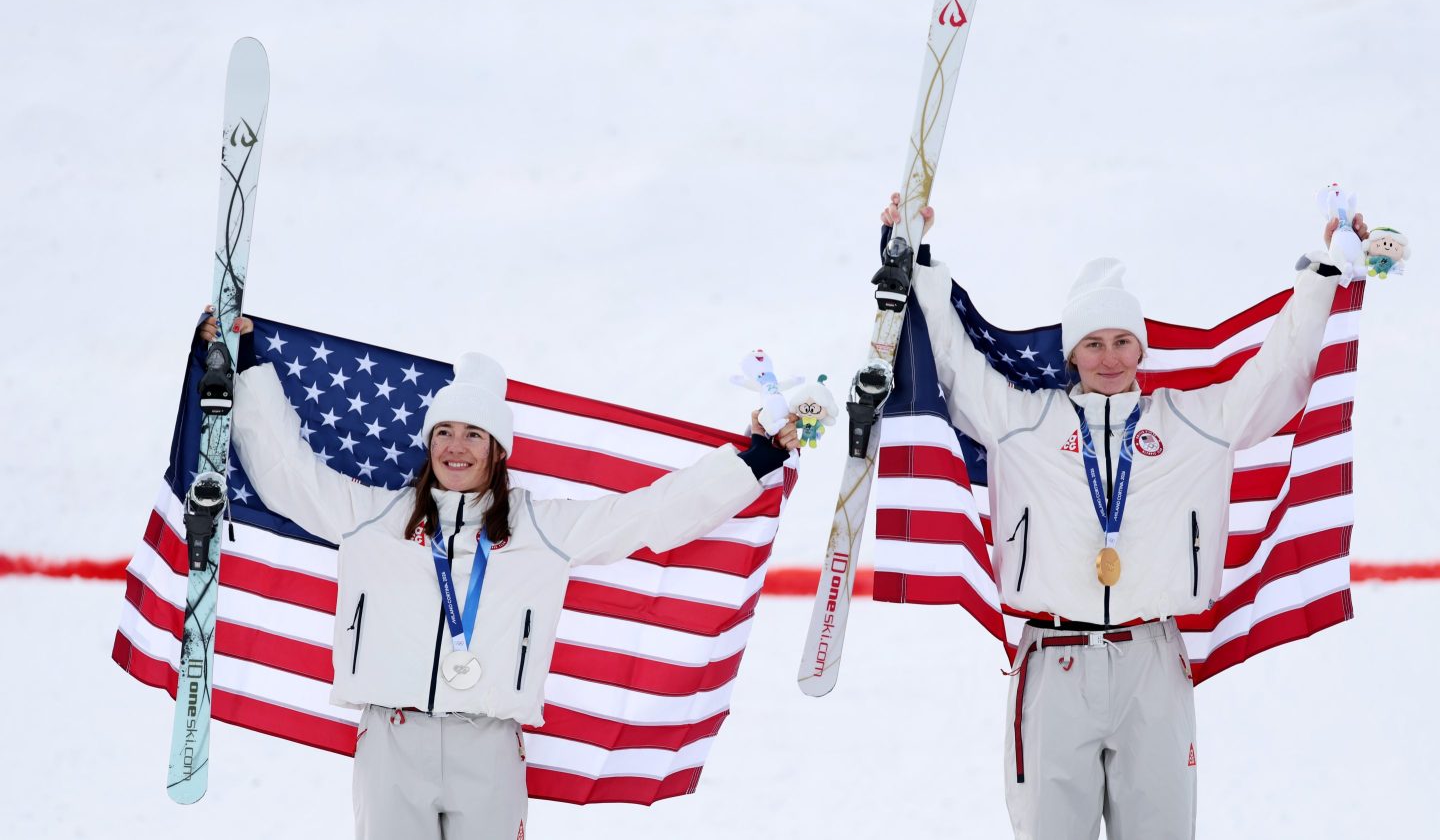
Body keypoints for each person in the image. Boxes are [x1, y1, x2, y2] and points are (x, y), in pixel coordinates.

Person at [199, 316, 799, 840]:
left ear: (498, 449)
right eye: (444, 432)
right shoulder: (373, 516)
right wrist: (244, 366)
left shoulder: (542, 528)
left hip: (488, 744)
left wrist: (752, 462)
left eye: (473, 434)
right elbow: (287, 475)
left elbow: (644, 514)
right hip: (390, 739)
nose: (455, 448)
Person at [881, 194, 1364, 840]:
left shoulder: (1191, 423)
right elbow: (954, 364)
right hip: (1054, 663)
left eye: (1121, 341)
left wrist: (1324, 278)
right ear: (1072, 352)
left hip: (1152, 663)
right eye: (1093, 343)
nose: (1109, 358)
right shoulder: (1024, 421)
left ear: (1141, 349)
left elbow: (1278, 375)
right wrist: (918, 257)